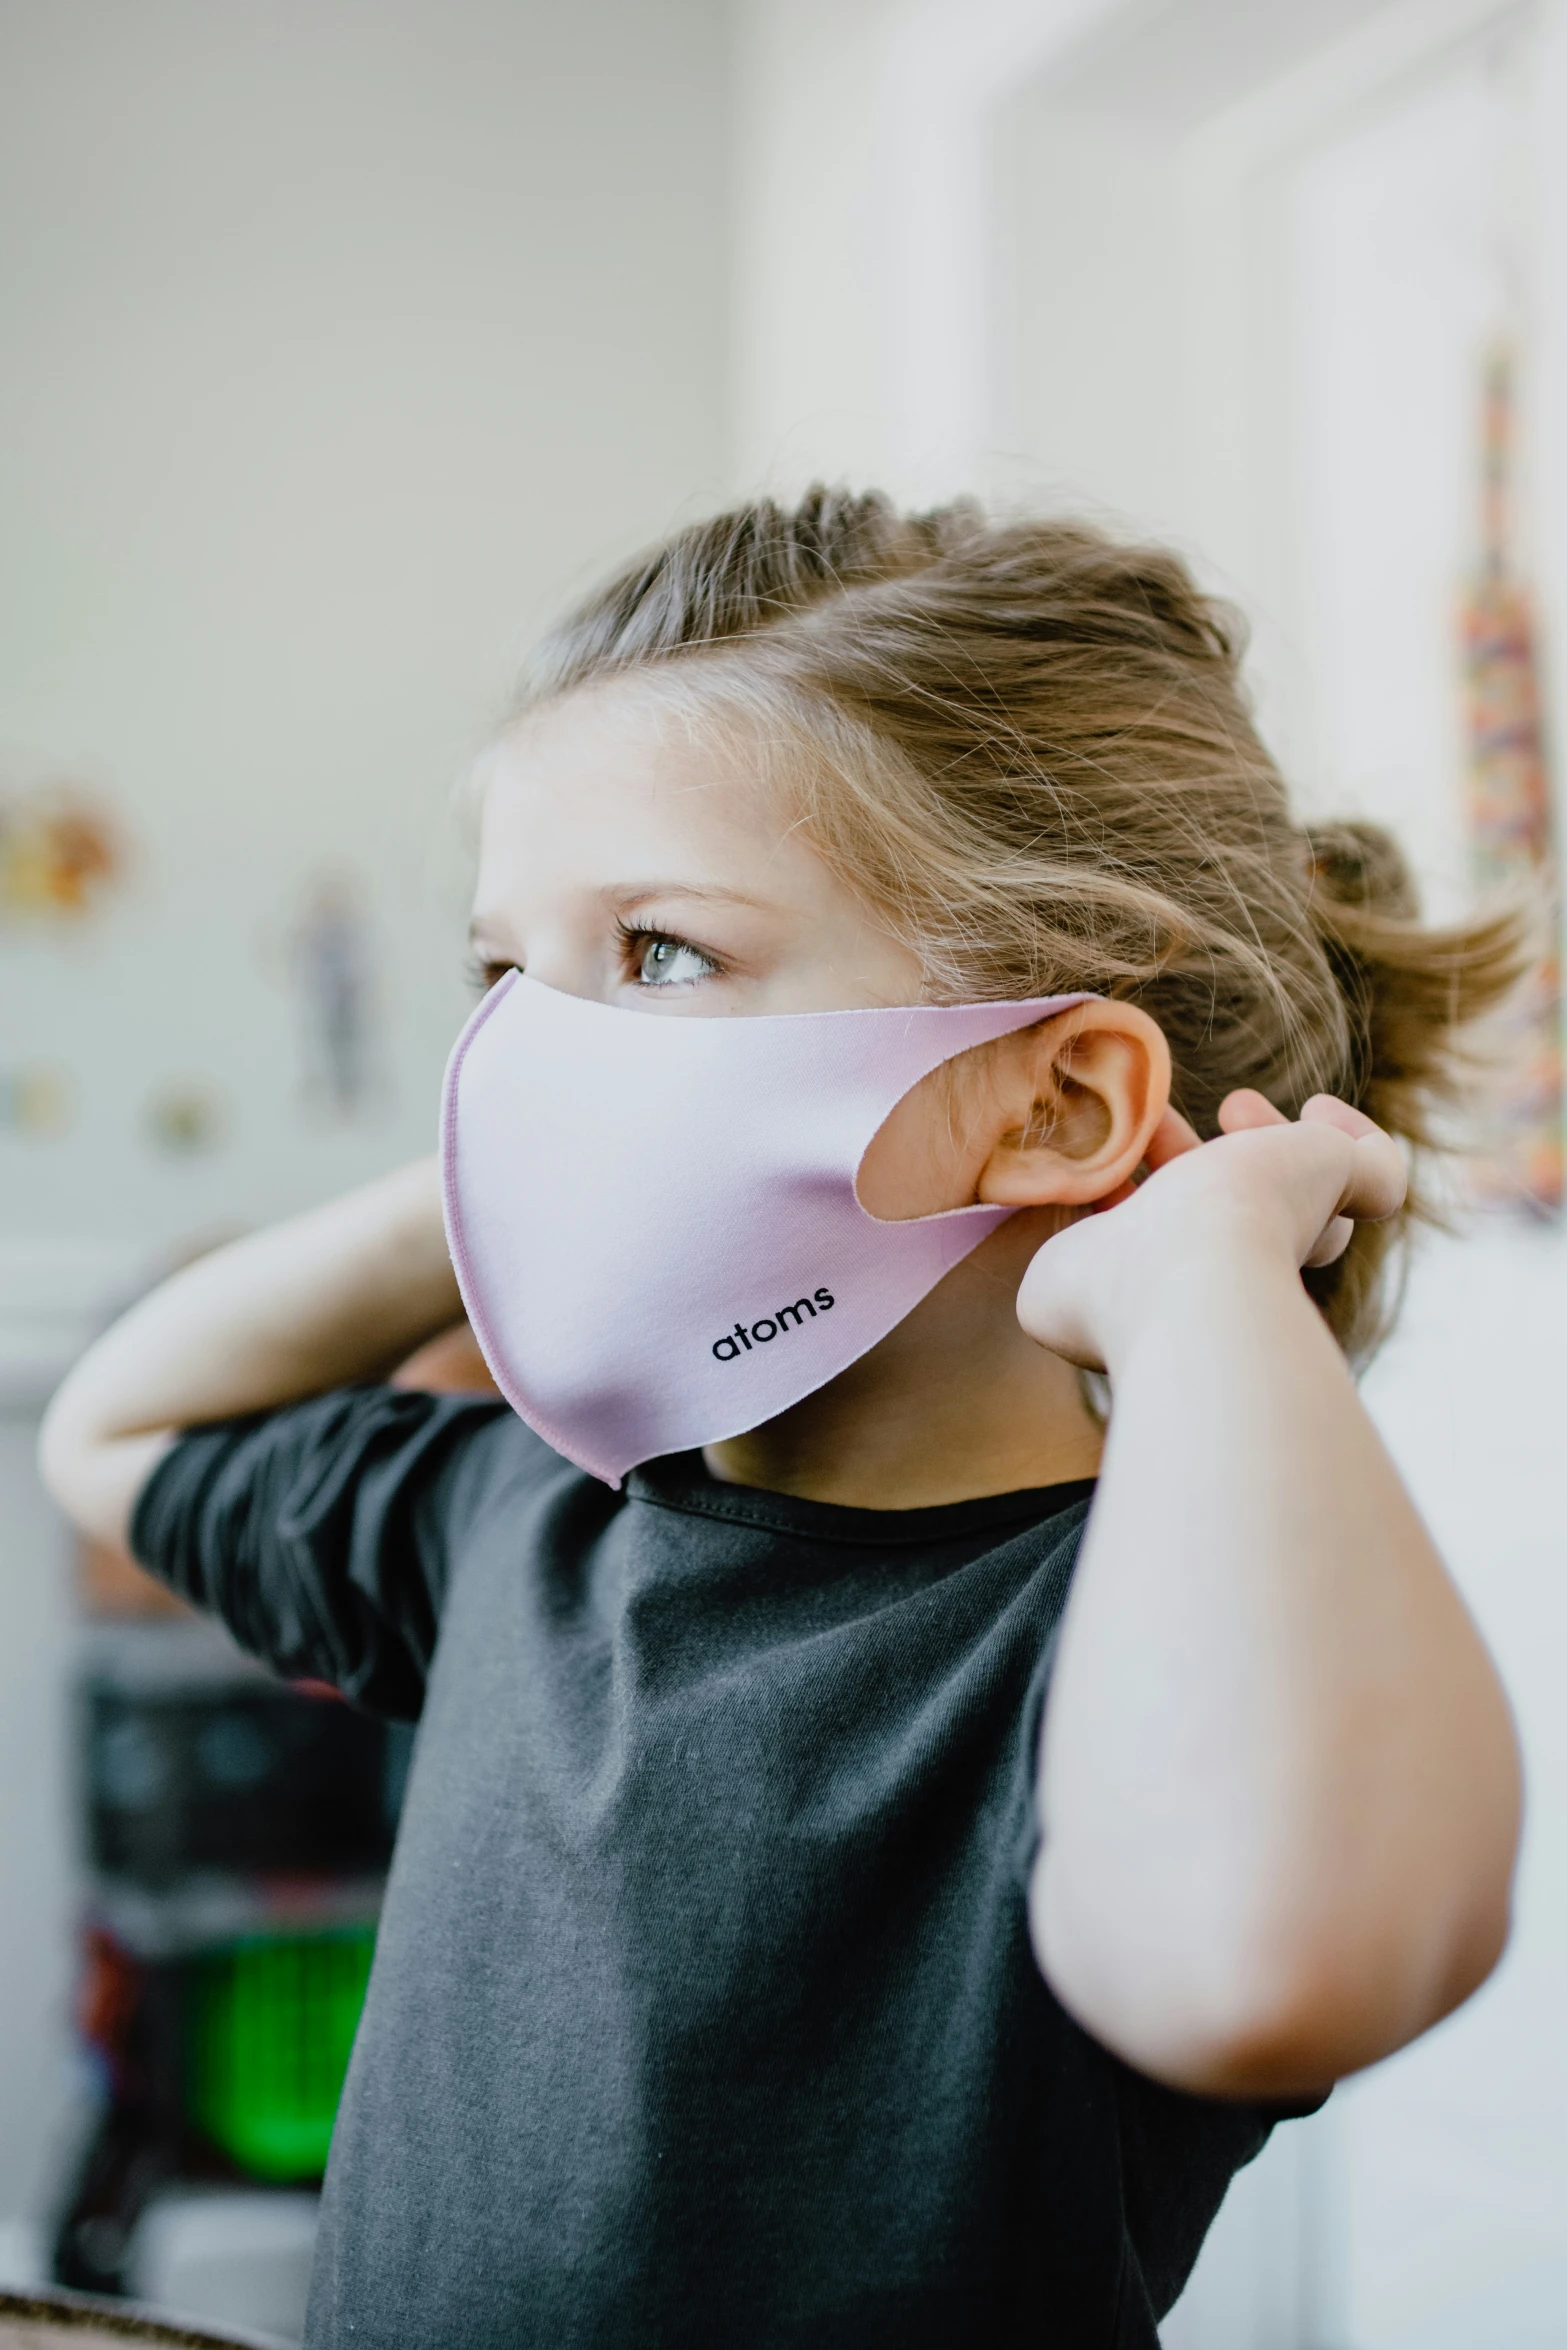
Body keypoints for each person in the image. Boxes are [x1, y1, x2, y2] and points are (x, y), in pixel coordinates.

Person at [41, 493, 1524, 2349]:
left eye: (658, 953)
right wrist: (508, 1153)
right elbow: (117, 1429)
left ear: (1057, 1102)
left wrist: (1202, 1286)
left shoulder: (1132, 1637)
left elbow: (1273, 1963)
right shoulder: (523, 1524)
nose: (529, 1045)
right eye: (507, 974)